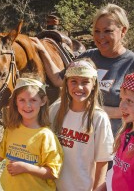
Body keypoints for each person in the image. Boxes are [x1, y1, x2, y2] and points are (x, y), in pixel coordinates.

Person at [32, 3, 134, 137]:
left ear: (123, 31)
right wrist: (42, 50)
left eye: (108, 31)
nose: (100, 37)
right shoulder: (87, 57)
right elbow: (59, 79)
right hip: (80, 139)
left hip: (116, 141)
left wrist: (98, 110)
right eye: (97, 31)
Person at [49, 59, 114, 191]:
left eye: (85, 82)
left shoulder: (99, 118)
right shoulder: (55, 110)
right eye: (74, 81)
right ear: (66, 83)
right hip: (52, 185)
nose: (79, 87)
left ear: (94, 84)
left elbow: (103, 162)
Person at [0, 77, 63, 191]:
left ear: (42, 101)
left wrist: (26, 168)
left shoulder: (45, 135)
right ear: (15, 102)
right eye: (22, 100)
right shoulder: (12, 129)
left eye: (33, 100)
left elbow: (53, 172)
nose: (27, 105)